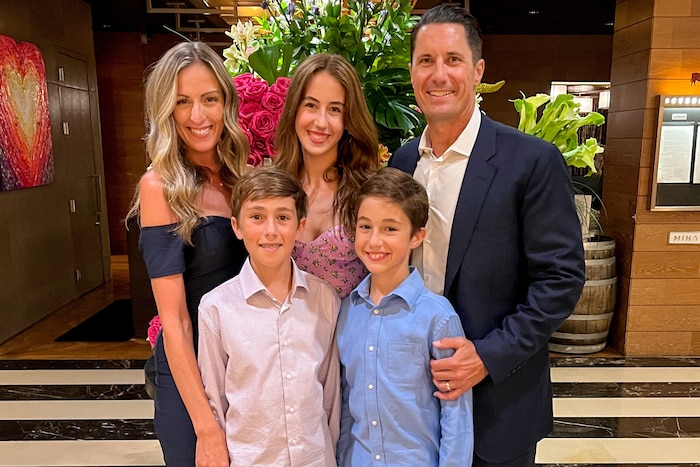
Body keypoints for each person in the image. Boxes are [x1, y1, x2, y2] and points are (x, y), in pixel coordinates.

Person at [389, 6, 586, 466]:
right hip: (413, 402)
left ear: (478, 70)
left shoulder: (531, 161)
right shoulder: (401, 164)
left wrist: (486, 356)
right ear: (413, 72)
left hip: (499, 404)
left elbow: (560, 280)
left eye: (453, 59)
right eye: (426, 60)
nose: (439, 75)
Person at [126, 41, 249, 466]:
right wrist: (205, 426)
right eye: (183, 102)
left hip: (244, 366)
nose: (198, 116)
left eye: (209, 99)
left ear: (226, 103)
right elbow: (174, 320)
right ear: (167, 110)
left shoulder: (242, 176)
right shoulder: (160, 187)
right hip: (190, 378)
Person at [197, 166, 341, 466]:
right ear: (237, 226)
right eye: (257, 217)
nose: (271, 230)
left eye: (283, 218)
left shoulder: (324, 300)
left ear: (300, 227)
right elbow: (215, 400)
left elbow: (331, 394)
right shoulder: (216, 308)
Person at [336, 167, 474, 466]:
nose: (374, 242)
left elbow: (456, 415)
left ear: (417, 236)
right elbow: (348, 403)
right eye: (365, 227)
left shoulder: (437, 317)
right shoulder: (348, 310)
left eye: (390, 229)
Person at [275, 53, 380, 299]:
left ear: (348, 119)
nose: (321, 122)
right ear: (294, 110)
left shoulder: (369, 192)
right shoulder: (272, 187)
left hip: (353, 336)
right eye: (311, 105)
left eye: (334, 109)